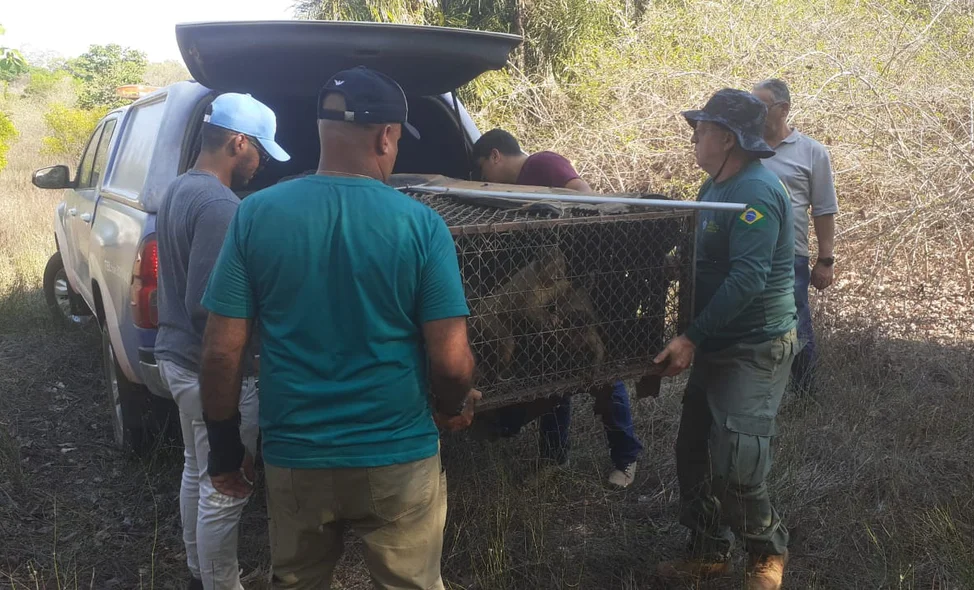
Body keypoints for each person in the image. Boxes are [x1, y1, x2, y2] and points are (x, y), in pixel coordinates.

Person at [197, 66, 480, 589]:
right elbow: (451, 361)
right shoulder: (421, 225)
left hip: (296, 456)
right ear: (386, 135)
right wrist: (450, 405)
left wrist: (225, 448)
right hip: (397, 455)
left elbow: (220, 354)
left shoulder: (255, 215)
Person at [653, 89, 797, 589]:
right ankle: (709, 548)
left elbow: (748, 279)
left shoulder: (756, 192)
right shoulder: (712, 186)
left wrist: (691, 337)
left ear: (728, 138)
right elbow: (702, 257)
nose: (695, 136)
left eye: (703, 128)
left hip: (754, 346)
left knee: (737, 460)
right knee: (692, 451)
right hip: (715, 341)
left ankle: (766, 552)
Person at [154, 92, 290, 590]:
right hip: (215, 372)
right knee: (227, 488)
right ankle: (221, 584)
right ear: (238, 143)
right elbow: (210, 309)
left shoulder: (180, 189)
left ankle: (198, 575)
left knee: (198, 467)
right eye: (260, 151)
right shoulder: (220, 207)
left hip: (176, 357)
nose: (261, 165)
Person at [471, 129, 643, 489]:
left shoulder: (543, 163)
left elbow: (586, 198)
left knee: (603, 376)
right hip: (543, 292)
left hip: (572, 286)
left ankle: (626, 458)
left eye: (483, 167)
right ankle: (554, 456)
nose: (484, 178)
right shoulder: (513, 188)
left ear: (495, 155)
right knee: (553, 374)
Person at [753, 78, 838, 396]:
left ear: (784, 109)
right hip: (746, 252)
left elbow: (824, 208)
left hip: (790, 255)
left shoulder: (812, 152)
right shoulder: (744, 147)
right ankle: (759, 391)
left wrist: (825, 259)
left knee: (795, 322)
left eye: (761, 106)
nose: (755, 113)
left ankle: (804, 393)